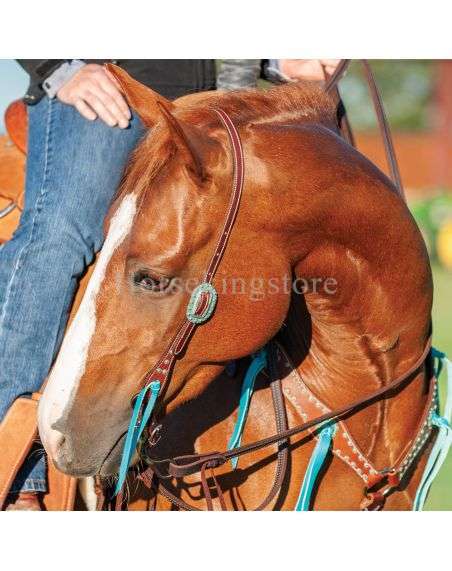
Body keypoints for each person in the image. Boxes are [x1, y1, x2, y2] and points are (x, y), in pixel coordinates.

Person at [0, 59, 216, 509]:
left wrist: (276, 60)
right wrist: (60, 66)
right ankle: (15, 467)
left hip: (211, 103)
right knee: (58, 236)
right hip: (106, 90)